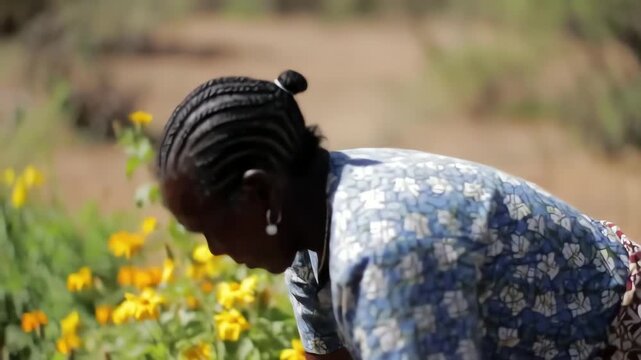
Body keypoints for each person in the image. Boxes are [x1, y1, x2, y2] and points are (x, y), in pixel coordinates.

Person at [156, 70, 641, 359]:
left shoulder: (385, 250)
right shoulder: (309, 231)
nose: (214, 250)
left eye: (213, 229)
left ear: (260, 194)